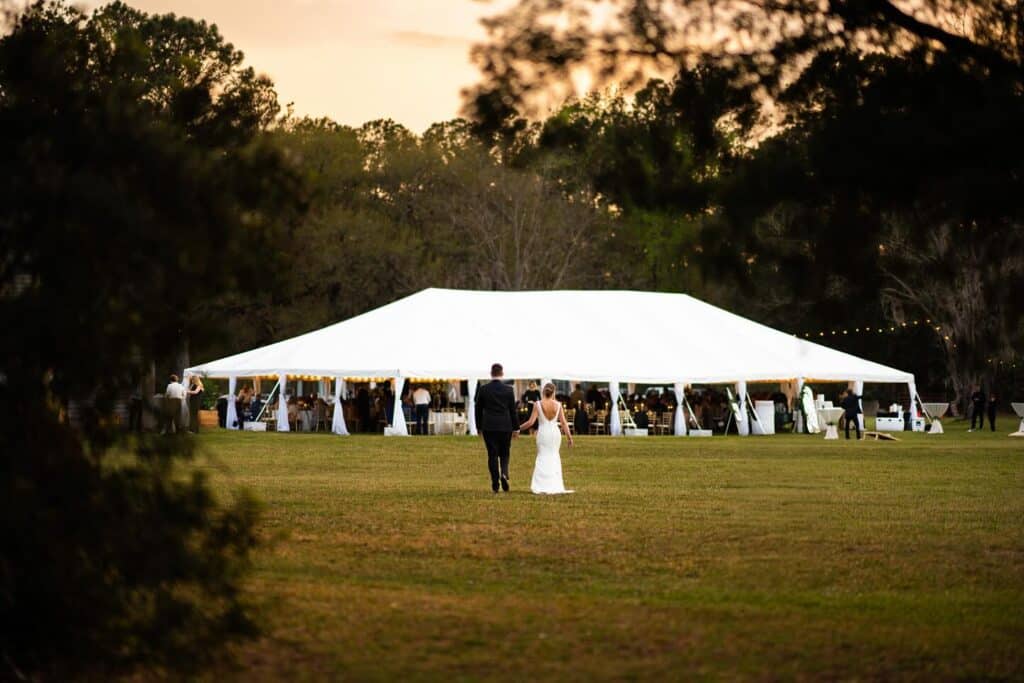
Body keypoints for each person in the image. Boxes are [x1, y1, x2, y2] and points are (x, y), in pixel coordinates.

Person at [519, 382, 574, 495]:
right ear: (553, 393)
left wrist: (518, 429)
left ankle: (541, 484)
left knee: (542, 456)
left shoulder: (537, 404)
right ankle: (554, 484)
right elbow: (563, 423)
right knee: (554, 456)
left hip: (543, 433)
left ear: (543, 392)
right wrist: (569, 437)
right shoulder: (558, 405)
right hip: (555, 433)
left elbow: (530, 422)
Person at [474, 363, 519, 493]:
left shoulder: (483, 389)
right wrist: (516, 428)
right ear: (502, 373)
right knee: (505, 453)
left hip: (489, 426)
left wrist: (479, 426)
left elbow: (478, 409)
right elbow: (512, 411)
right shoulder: (508, 390)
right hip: (505, 425)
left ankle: (495, 482)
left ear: (491, 373)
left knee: (492, 455)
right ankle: (504, 473)